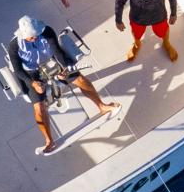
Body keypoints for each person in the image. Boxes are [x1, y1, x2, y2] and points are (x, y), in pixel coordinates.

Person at [8, 16, 115, 154]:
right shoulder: (14, 46)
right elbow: (18, 70)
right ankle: (48, 141)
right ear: (23, 35)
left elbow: (57, 51)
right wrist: (33, 83)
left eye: (36, 35)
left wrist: (64, 68)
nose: (35, 38)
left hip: (53, 61)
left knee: (81, 80)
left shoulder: (46, 31)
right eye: (31, 37)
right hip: (31, 73)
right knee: (39, 108)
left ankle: (102, 106)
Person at [113, 0, 181, 64]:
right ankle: (137, 44)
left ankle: (166, 43)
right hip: (138, 18)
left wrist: (173, 13)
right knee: (137, 33)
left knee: (162, 31)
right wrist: (118, 21)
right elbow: (119, 2)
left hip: (159, 15)